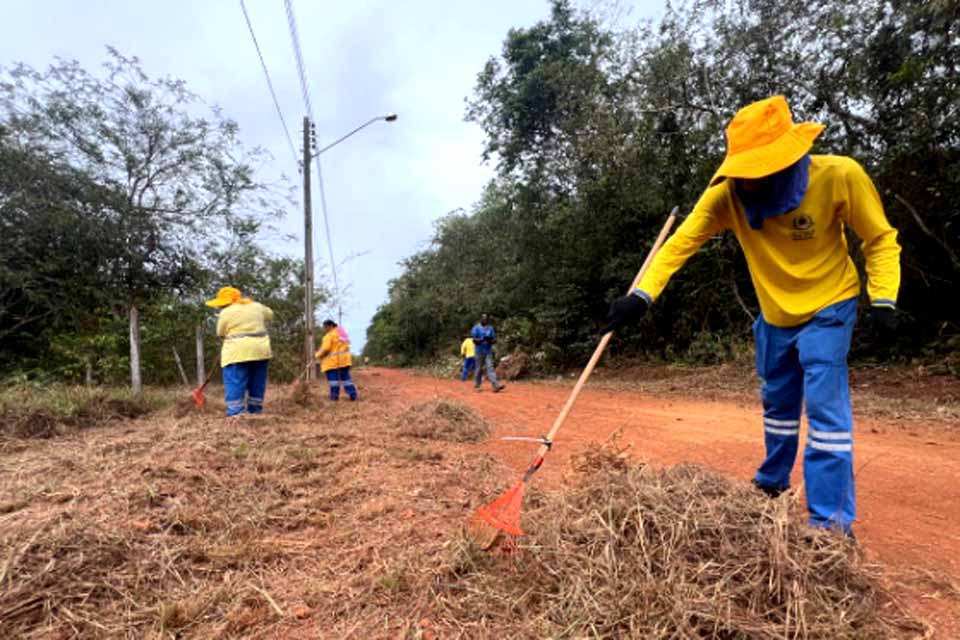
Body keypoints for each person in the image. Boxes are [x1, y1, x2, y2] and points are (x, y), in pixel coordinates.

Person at [603, 96, 901, 536]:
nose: (752, 182)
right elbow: (679, 244)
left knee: (825, 416)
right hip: (774, 315)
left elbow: (879, 238)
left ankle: (831, 527)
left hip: (829, 306)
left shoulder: (839, 176)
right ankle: (772, 483)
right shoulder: (725, 197)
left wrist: (884, 299)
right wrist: (642, 296)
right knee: (778, 406)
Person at [206, 286, 274, 418]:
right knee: (257, 381)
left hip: (236, 353)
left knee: (235, 381)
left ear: (225, 302)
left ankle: (236, 414)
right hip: (261, 351)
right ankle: (255, 411)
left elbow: (220, 332)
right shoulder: (256, 306)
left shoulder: (226, 313)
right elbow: (270, 314)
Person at [315, 319, 358, 401]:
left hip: (333, 363)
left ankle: (334, 397)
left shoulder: (329, 336)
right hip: (345, 361)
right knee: (346, 380)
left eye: (325, 327)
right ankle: (353, 395)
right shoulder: (342, 334)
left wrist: (317, 355)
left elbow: (325, 349)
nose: (324, 329)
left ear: (330, 326)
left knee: (333, 381)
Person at [471, 313, 505, 392]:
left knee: (490, 368)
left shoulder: (490, 328)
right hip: (479, 351)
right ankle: (477, 386)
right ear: (480, 319)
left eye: (486, 319)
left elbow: (494, 340)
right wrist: (482, 339)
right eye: (483, 318)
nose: (485, 320)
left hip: (488, 351)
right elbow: (474, 340)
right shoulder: (476, 328)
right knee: (479, 368)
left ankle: (496, 385)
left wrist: (489, 340)